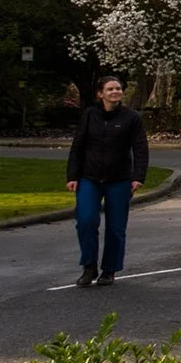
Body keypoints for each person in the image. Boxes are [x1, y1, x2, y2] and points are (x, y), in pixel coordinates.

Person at [65, 74, 147, 287]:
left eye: (118, 88)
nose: (115, 92)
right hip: (89, 177)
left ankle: (109, 270)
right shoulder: (90, 115)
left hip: (119, 179)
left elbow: (140, 148)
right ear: (100, 93)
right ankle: (89, 265)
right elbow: (78, 146)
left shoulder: (131, 117)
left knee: (116, 227)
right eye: (110, 89)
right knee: (86, 220)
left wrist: (139, 176)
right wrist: (72, 175)